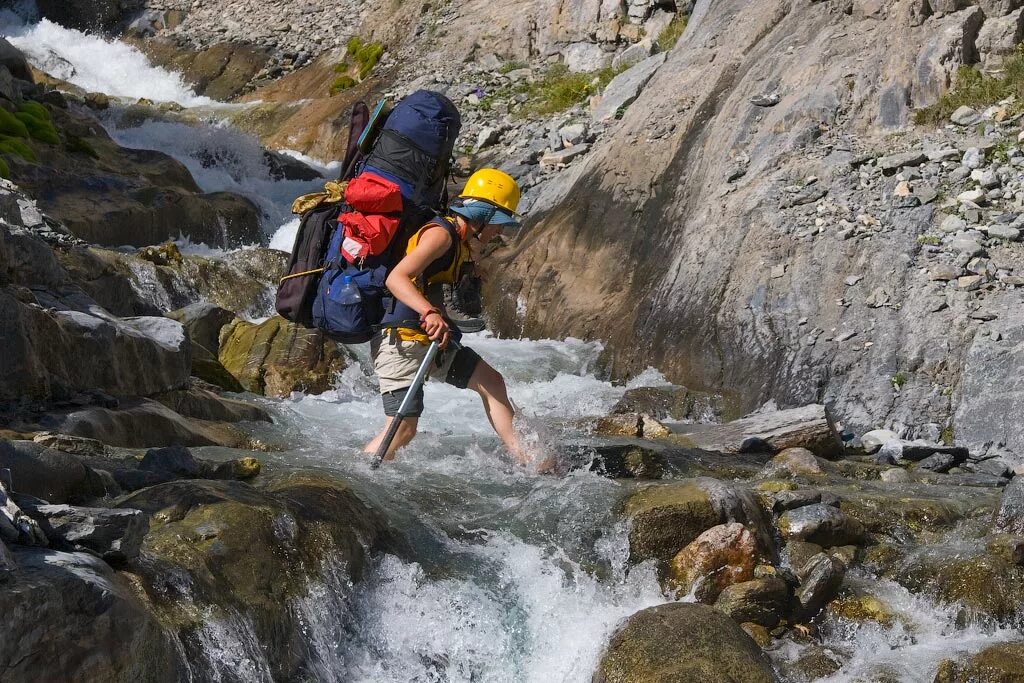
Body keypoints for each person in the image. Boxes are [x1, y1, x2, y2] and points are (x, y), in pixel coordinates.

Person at [362, 168, 532, 465]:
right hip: (400, 342)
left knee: (491, 382)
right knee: (402, 429)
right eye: (498, 223)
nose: (500, 232)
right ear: (482, 216)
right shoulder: (441, 235)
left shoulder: (461, 243)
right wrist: (428, 311)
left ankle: (531, 461)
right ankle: (357, 478)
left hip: (429, 341)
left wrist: (473, 271)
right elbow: (396, 278)